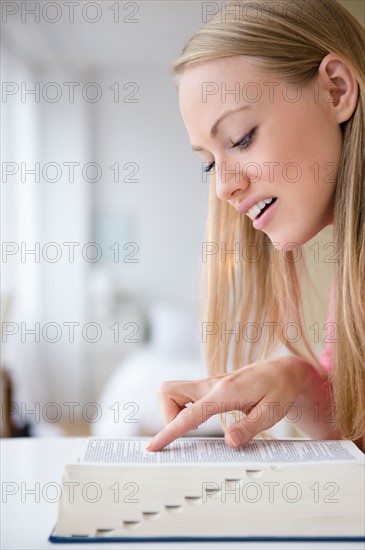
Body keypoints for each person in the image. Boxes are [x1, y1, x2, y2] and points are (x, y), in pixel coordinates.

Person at [146, 0, 365, 453]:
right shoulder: (351, 272)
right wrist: (298, 380)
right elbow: (356, 444)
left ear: (336, 90)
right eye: (210, 164)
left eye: (241, 138)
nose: (225, 187)